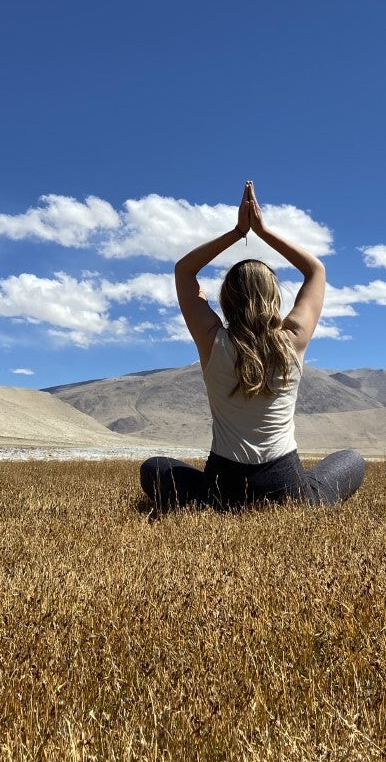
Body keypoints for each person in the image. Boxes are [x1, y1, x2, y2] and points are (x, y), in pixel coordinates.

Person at [140, 181, 367, 513]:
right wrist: (263, 231)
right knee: (352, 459)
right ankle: (302, 503)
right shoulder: (293, 338)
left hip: (222, 490)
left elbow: (184, 271)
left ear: (226, 299)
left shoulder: (212, 339)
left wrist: (237, 232)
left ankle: (205, 504)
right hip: (286, 488)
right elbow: (315, 270)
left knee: (154, 468)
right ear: (274, 296)